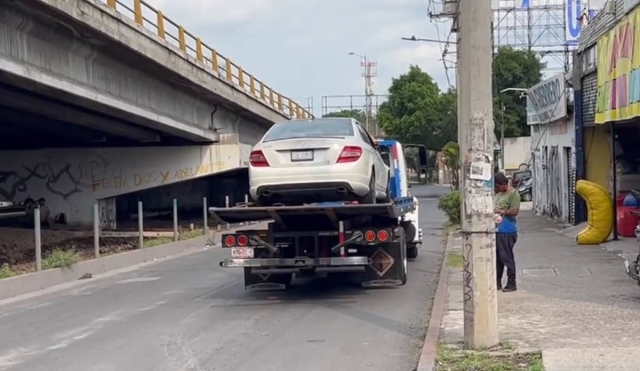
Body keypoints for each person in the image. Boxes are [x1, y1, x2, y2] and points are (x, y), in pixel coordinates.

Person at [494, 172, 520, 292]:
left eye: (498, 187)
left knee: (506, 257)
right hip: (497, 229)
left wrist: (500, 211)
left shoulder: (513, 194)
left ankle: (511, 282)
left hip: (507, 230)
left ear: (504, 184)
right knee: (498, 259)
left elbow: (515, 211)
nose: (497, 189)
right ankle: (497, 282)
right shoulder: (499, 194)